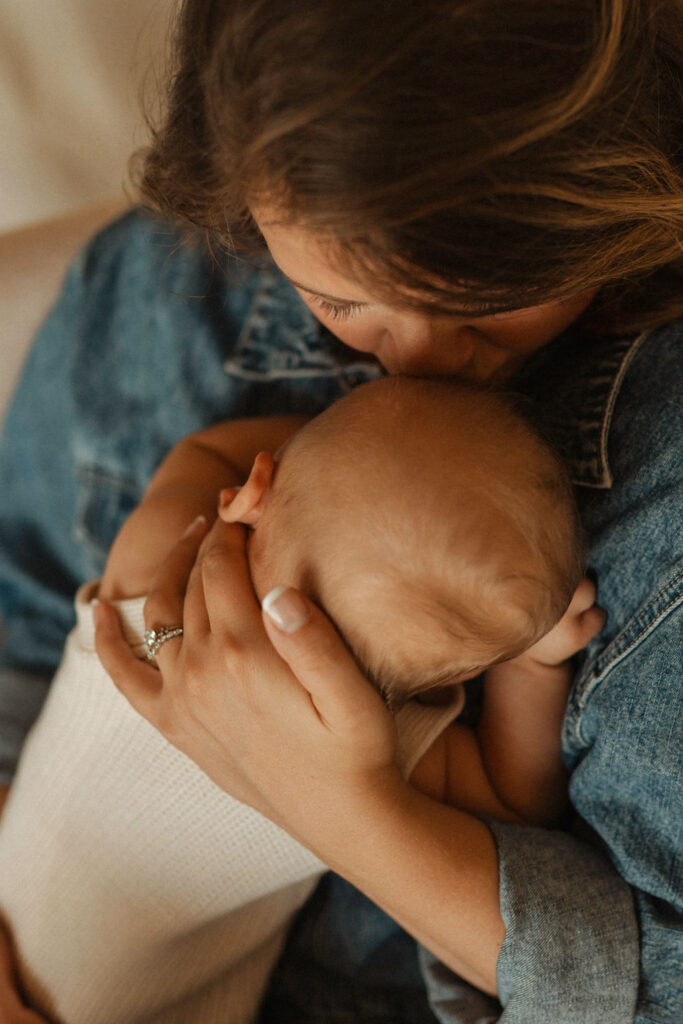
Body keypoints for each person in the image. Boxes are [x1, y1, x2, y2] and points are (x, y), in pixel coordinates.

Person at [0, 1, 680, 1021]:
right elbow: (22, 632)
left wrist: (337, 807)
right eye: (337, 296)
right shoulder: (164, 296)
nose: (415, 360)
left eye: (485, 297)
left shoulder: (656, 485)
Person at [0, 375, 602, 1024]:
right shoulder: (389, 752)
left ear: (258, 487)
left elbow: (204, 456)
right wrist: (535, 666)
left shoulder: (154, 571)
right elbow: (514, 798)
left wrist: (289, 470)